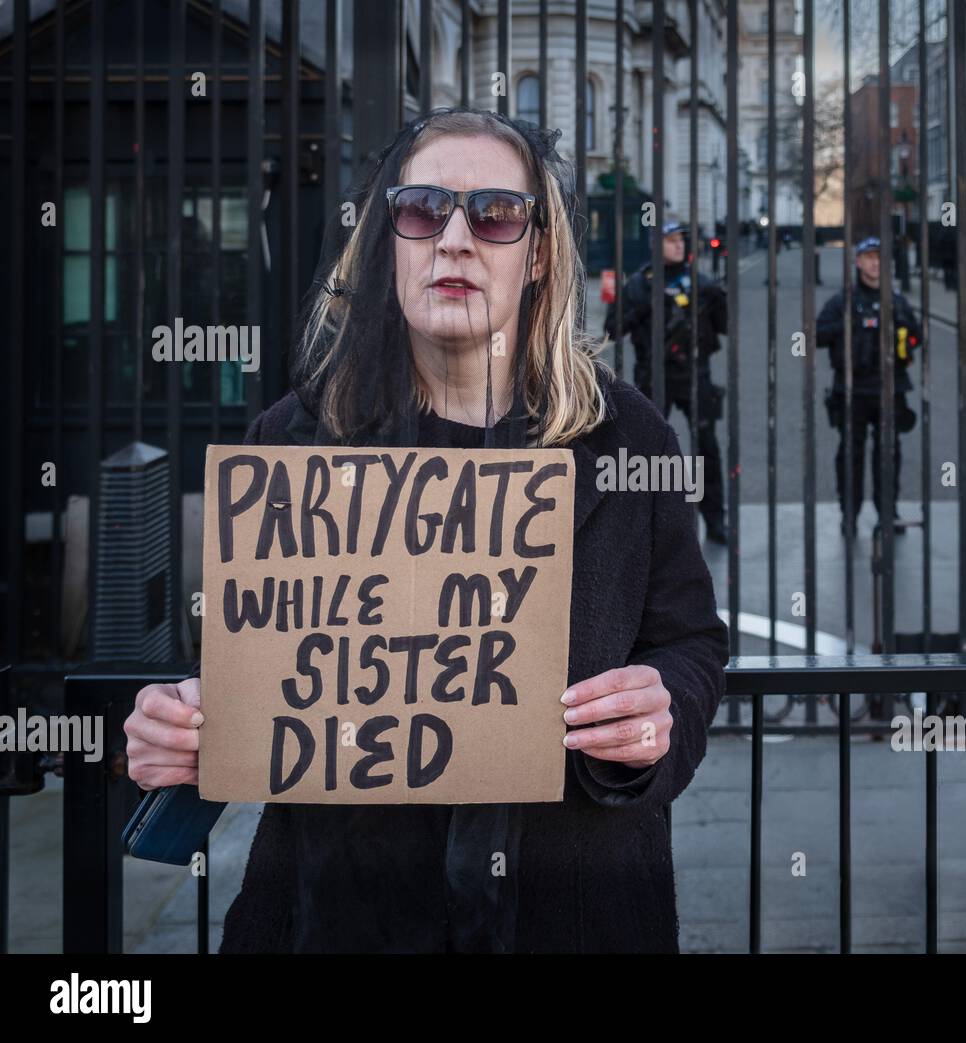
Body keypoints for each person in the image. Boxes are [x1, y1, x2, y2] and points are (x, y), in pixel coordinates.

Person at [123, 107, 730, 953]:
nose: (454, 239)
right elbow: (257, 656)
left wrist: (659, 711)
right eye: (420, 209)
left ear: (540, 252)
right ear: (387, 242)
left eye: (495, 213)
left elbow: (692, 640)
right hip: (339, 919)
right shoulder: (292, 441)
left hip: (577, 912)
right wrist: (185, 722)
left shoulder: (630, 440)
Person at [603, 220, 728, 544]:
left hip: (695, 374)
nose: (679, 245)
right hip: (654, 375)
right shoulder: (639, 284)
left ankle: (714, 520)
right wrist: (646, 306)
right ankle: (648, 524)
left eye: (681, 240)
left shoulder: (700, 281)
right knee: (649, 451)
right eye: (671, 240)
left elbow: (723, 327)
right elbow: (612, 329)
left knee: (707, 449)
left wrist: (718, 298)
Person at [815, 235, 921, 537]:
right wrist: (847, 326)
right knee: (850, 455)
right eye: (870, 257)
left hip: (891, 388)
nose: (876, 262)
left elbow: (916, 336)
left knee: (888, 455)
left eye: (880, 257)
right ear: (858, 262)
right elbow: (818, 335)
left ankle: (888, 513)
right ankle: (849, 514)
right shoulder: (843, 301)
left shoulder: (896, 301)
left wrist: (905, 337)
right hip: (852, 390)